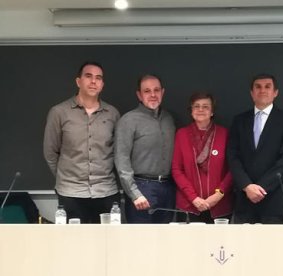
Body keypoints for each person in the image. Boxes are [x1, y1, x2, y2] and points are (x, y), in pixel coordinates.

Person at [43, 61, 120, 223]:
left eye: (98, 78)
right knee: (74, 245)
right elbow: (50, 152)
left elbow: (117, 152)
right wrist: (65, 178)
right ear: (78, 81)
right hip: (71, 193)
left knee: (107, 245)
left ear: (102, 84)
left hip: (106, 192)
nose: (93, 81)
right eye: (89, 76)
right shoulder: (59, 112)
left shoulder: (112, 114)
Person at [227, 73, 283, 224]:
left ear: (275, 92)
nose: (262, 90)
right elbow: (233, 157)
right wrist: (247, 186)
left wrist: (261, 187)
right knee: (243, 246)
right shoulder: (239, 121)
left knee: (272, 247)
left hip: (273, 200)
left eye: (267, 86)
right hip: (244, 200)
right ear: (252, 93)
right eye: (258, 87)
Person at [115, 74, 176, 223]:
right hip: (141, 188)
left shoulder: (169, 119)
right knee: (141, 242)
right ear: (139, 95)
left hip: (168, 189)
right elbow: (121, 159)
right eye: (147, 91)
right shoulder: (128, 120)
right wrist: (135, 194)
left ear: (163, 92)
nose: (153, 94)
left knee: (166, 241)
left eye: (156, 90)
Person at [172, 92, 233, 223]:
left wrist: (219, 194)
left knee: (219, 244)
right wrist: (194, 198)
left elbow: (232, 169)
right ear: (191, 111)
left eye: (205, 106)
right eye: (196, 106)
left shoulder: (224, 134)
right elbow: (177, 170)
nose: (200, 109)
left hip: (219, 206)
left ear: (212, 112)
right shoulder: (181, 134)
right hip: (189, 206)